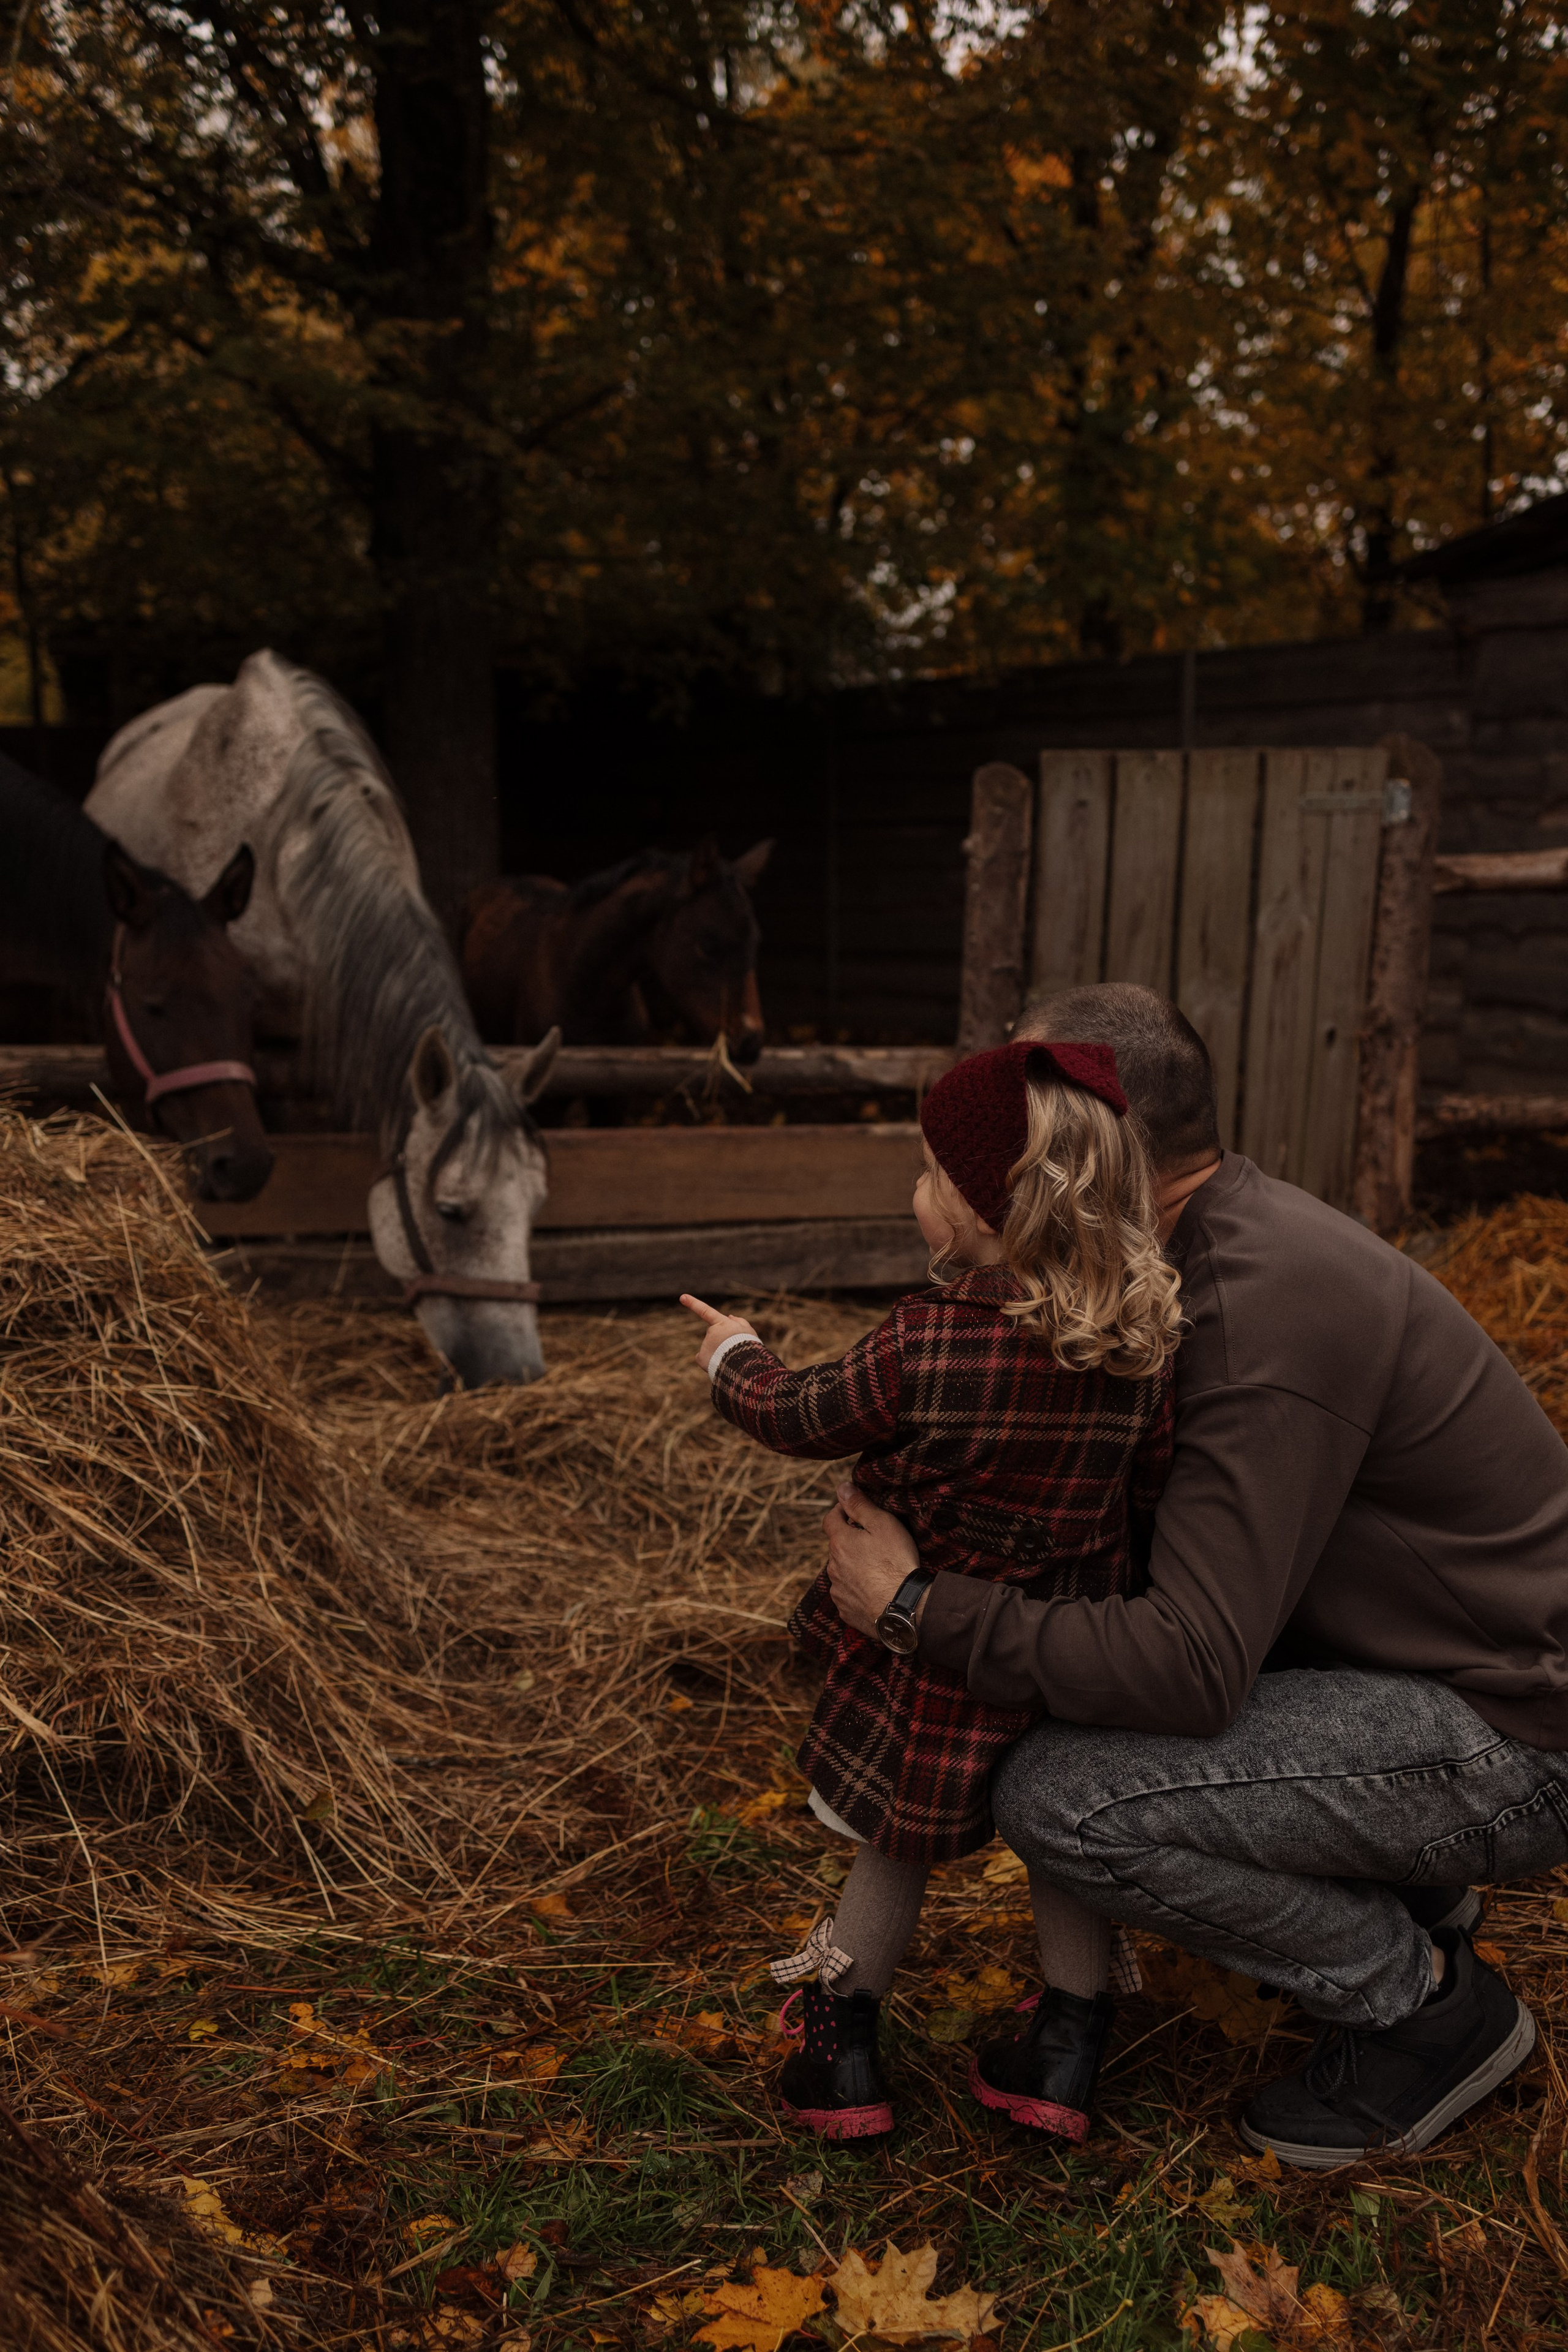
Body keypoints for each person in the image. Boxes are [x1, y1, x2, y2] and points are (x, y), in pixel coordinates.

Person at [820, 982, 1568, 2168]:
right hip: (1424, 1666)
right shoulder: (1172, 1255)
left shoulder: (1254, 1307)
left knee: (1060, 1796)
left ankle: (1417, 2006)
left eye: (1012, 1125)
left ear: (1095, 1137)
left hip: (1515, 1730)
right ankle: (1407, 1885)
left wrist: (921, 1610)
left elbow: (1189, 1664)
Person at [680, 1038, 1178, 2142]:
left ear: (977, 1213)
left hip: (931, 1662)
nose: (916, 1191)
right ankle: (1064, 2052)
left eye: (927, 1174)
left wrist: (734, 1354)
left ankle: (842, 2050)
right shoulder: (1140, 1339)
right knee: (1059, 1842)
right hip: (1063, 1651)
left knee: (892, 1843)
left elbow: (799, 1416)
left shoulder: (927, 1341)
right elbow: (1150, 1490)